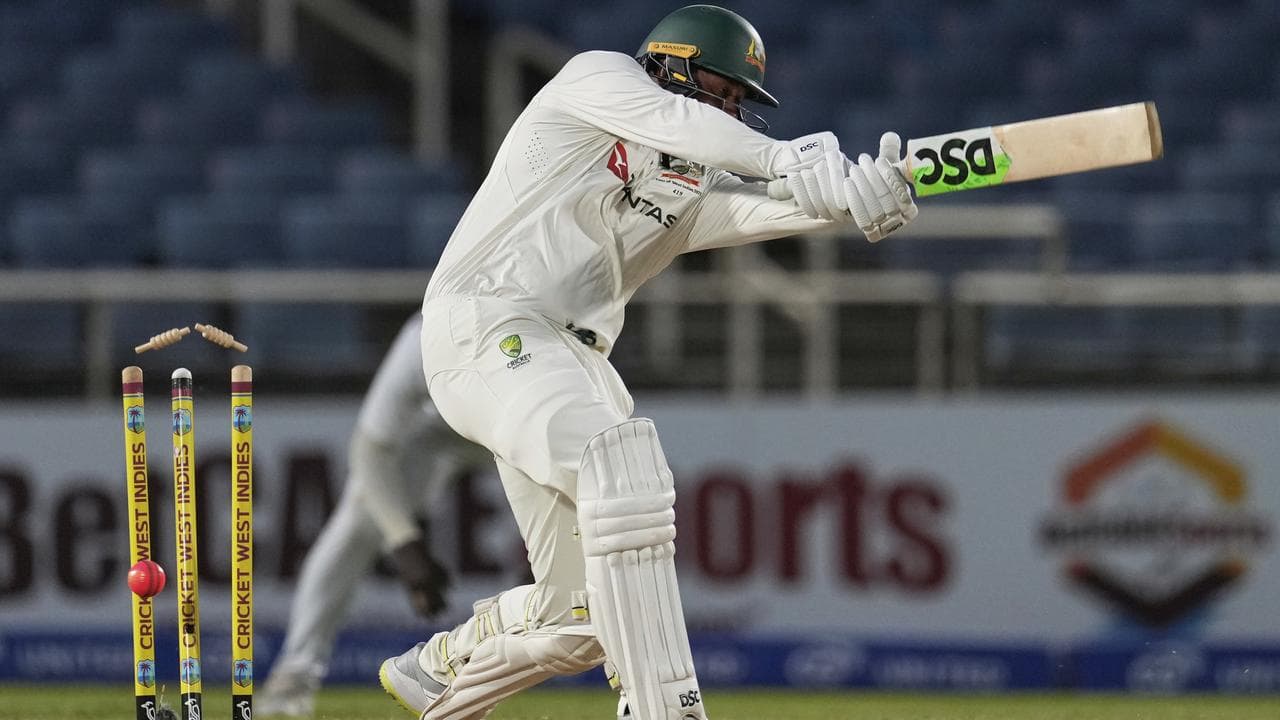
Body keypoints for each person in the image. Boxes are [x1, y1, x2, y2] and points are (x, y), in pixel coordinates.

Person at [378, 5, 918, 719]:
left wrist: (858, 195)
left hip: (569, 360)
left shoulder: (687, 187)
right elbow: (689, 127)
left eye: (739, 101)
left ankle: (440, 669)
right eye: (722, 90)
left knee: (581, 618)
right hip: (489, 322)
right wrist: (783, 157)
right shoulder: (596, 79)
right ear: (671, 64)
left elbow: (766, 206)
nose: (730, 109)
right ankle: (669, 708)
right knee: (622, 467)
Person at [257, 316, 490, 718]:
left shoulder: (534, 333)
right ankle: (294, 674)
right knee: (358, 520)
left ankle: (599, 651)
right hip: (437, 434)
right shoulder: (422, 340)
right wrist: (406, 544)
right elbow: (370, 449)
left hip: (517, 423)